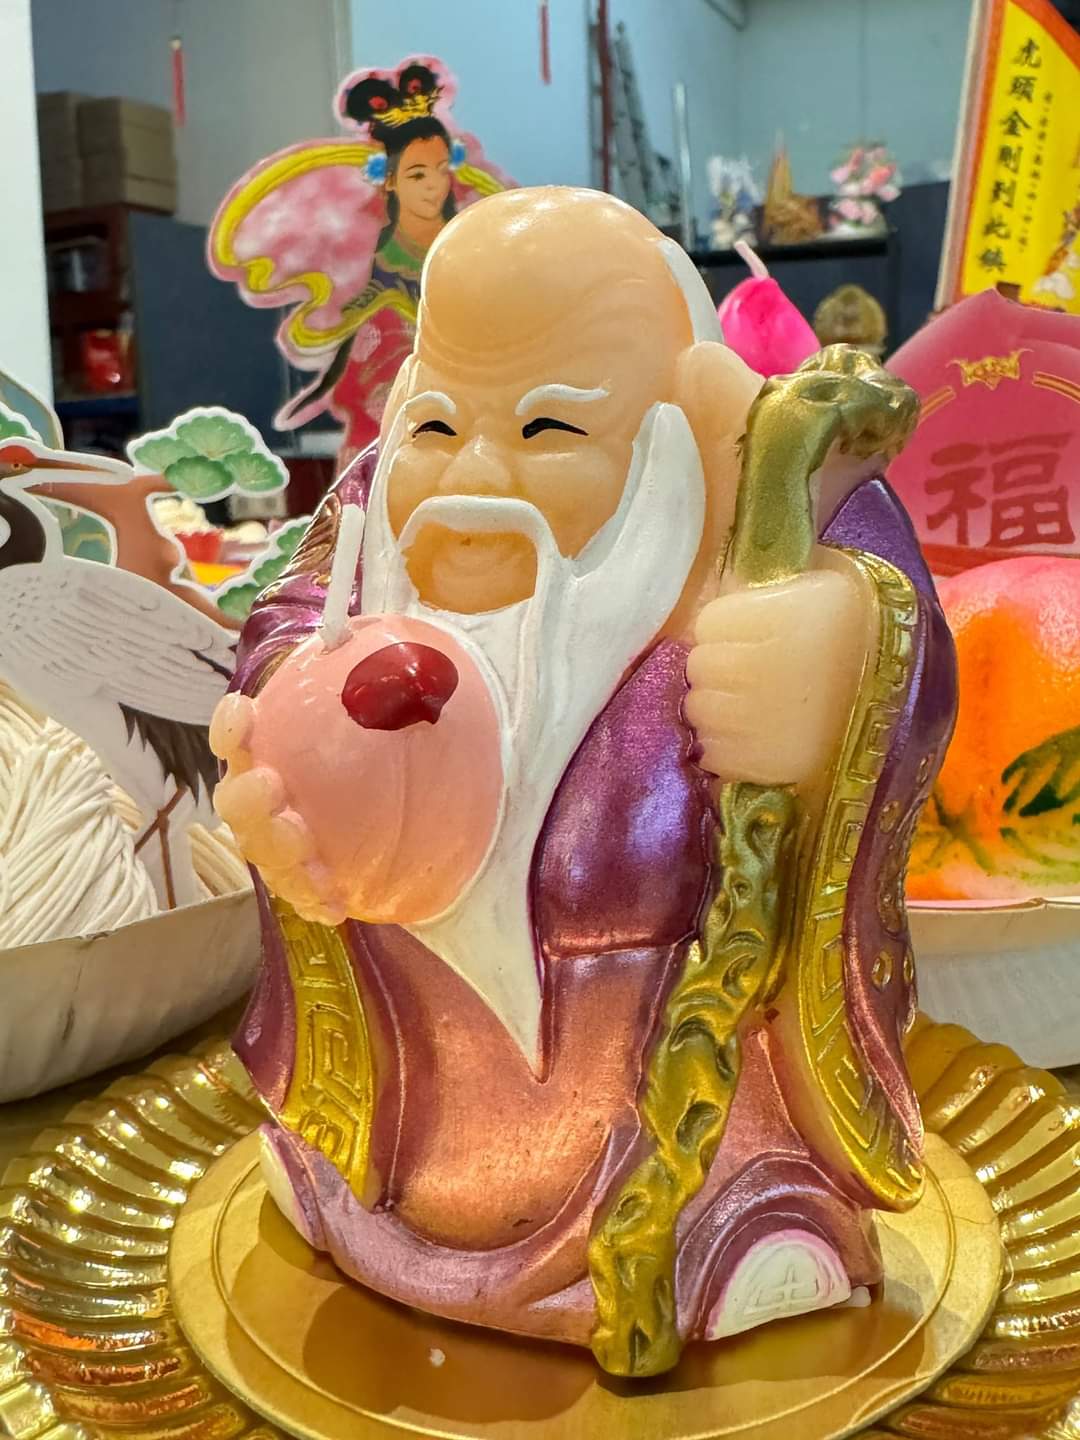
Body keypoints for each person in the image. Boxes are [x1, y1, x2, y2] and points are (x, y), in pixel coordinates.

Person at [212, 188, 956, 1375]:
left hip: (658, 1054)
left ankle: (728, 1201)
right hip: (409, 1048)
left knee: (721, 1175)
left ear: (686, 419)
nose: (475, 475)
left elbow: (896, 628)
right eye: (439, 423)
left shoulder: (766, 511)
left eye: (550, 428)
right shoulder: (372, 510)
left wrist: (831, 657)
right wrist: (285, 717)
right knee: (352, 1124)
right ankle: (367, 1187)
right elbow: (290, 610)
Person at [209, 57, 510, 468]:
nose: (434, 185)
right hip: (389, 444)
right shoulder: (374, 300)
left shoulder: (472, 246)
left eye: (441, 170)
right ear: (389, 180)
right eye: (417, 174)